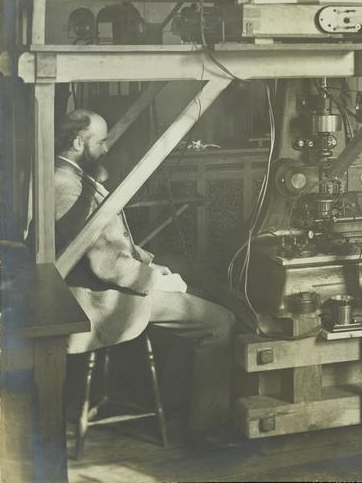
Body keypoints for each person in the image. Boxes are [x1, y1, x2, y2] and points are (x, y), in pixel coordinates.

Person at [53, 109, 237, 448]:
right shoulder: (63, 185)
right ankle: (204, 427)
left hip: (109, 286)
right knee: (220, 322)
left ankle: (176, 406)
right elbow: (104, 262)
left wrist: (155, 267)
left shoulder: (72, 176)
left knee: (195, 278)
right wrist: (154, 279)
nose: (107, 148)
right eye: (102, 141)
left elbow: (111, 245)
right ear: (79, 142)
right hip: (101, 300)